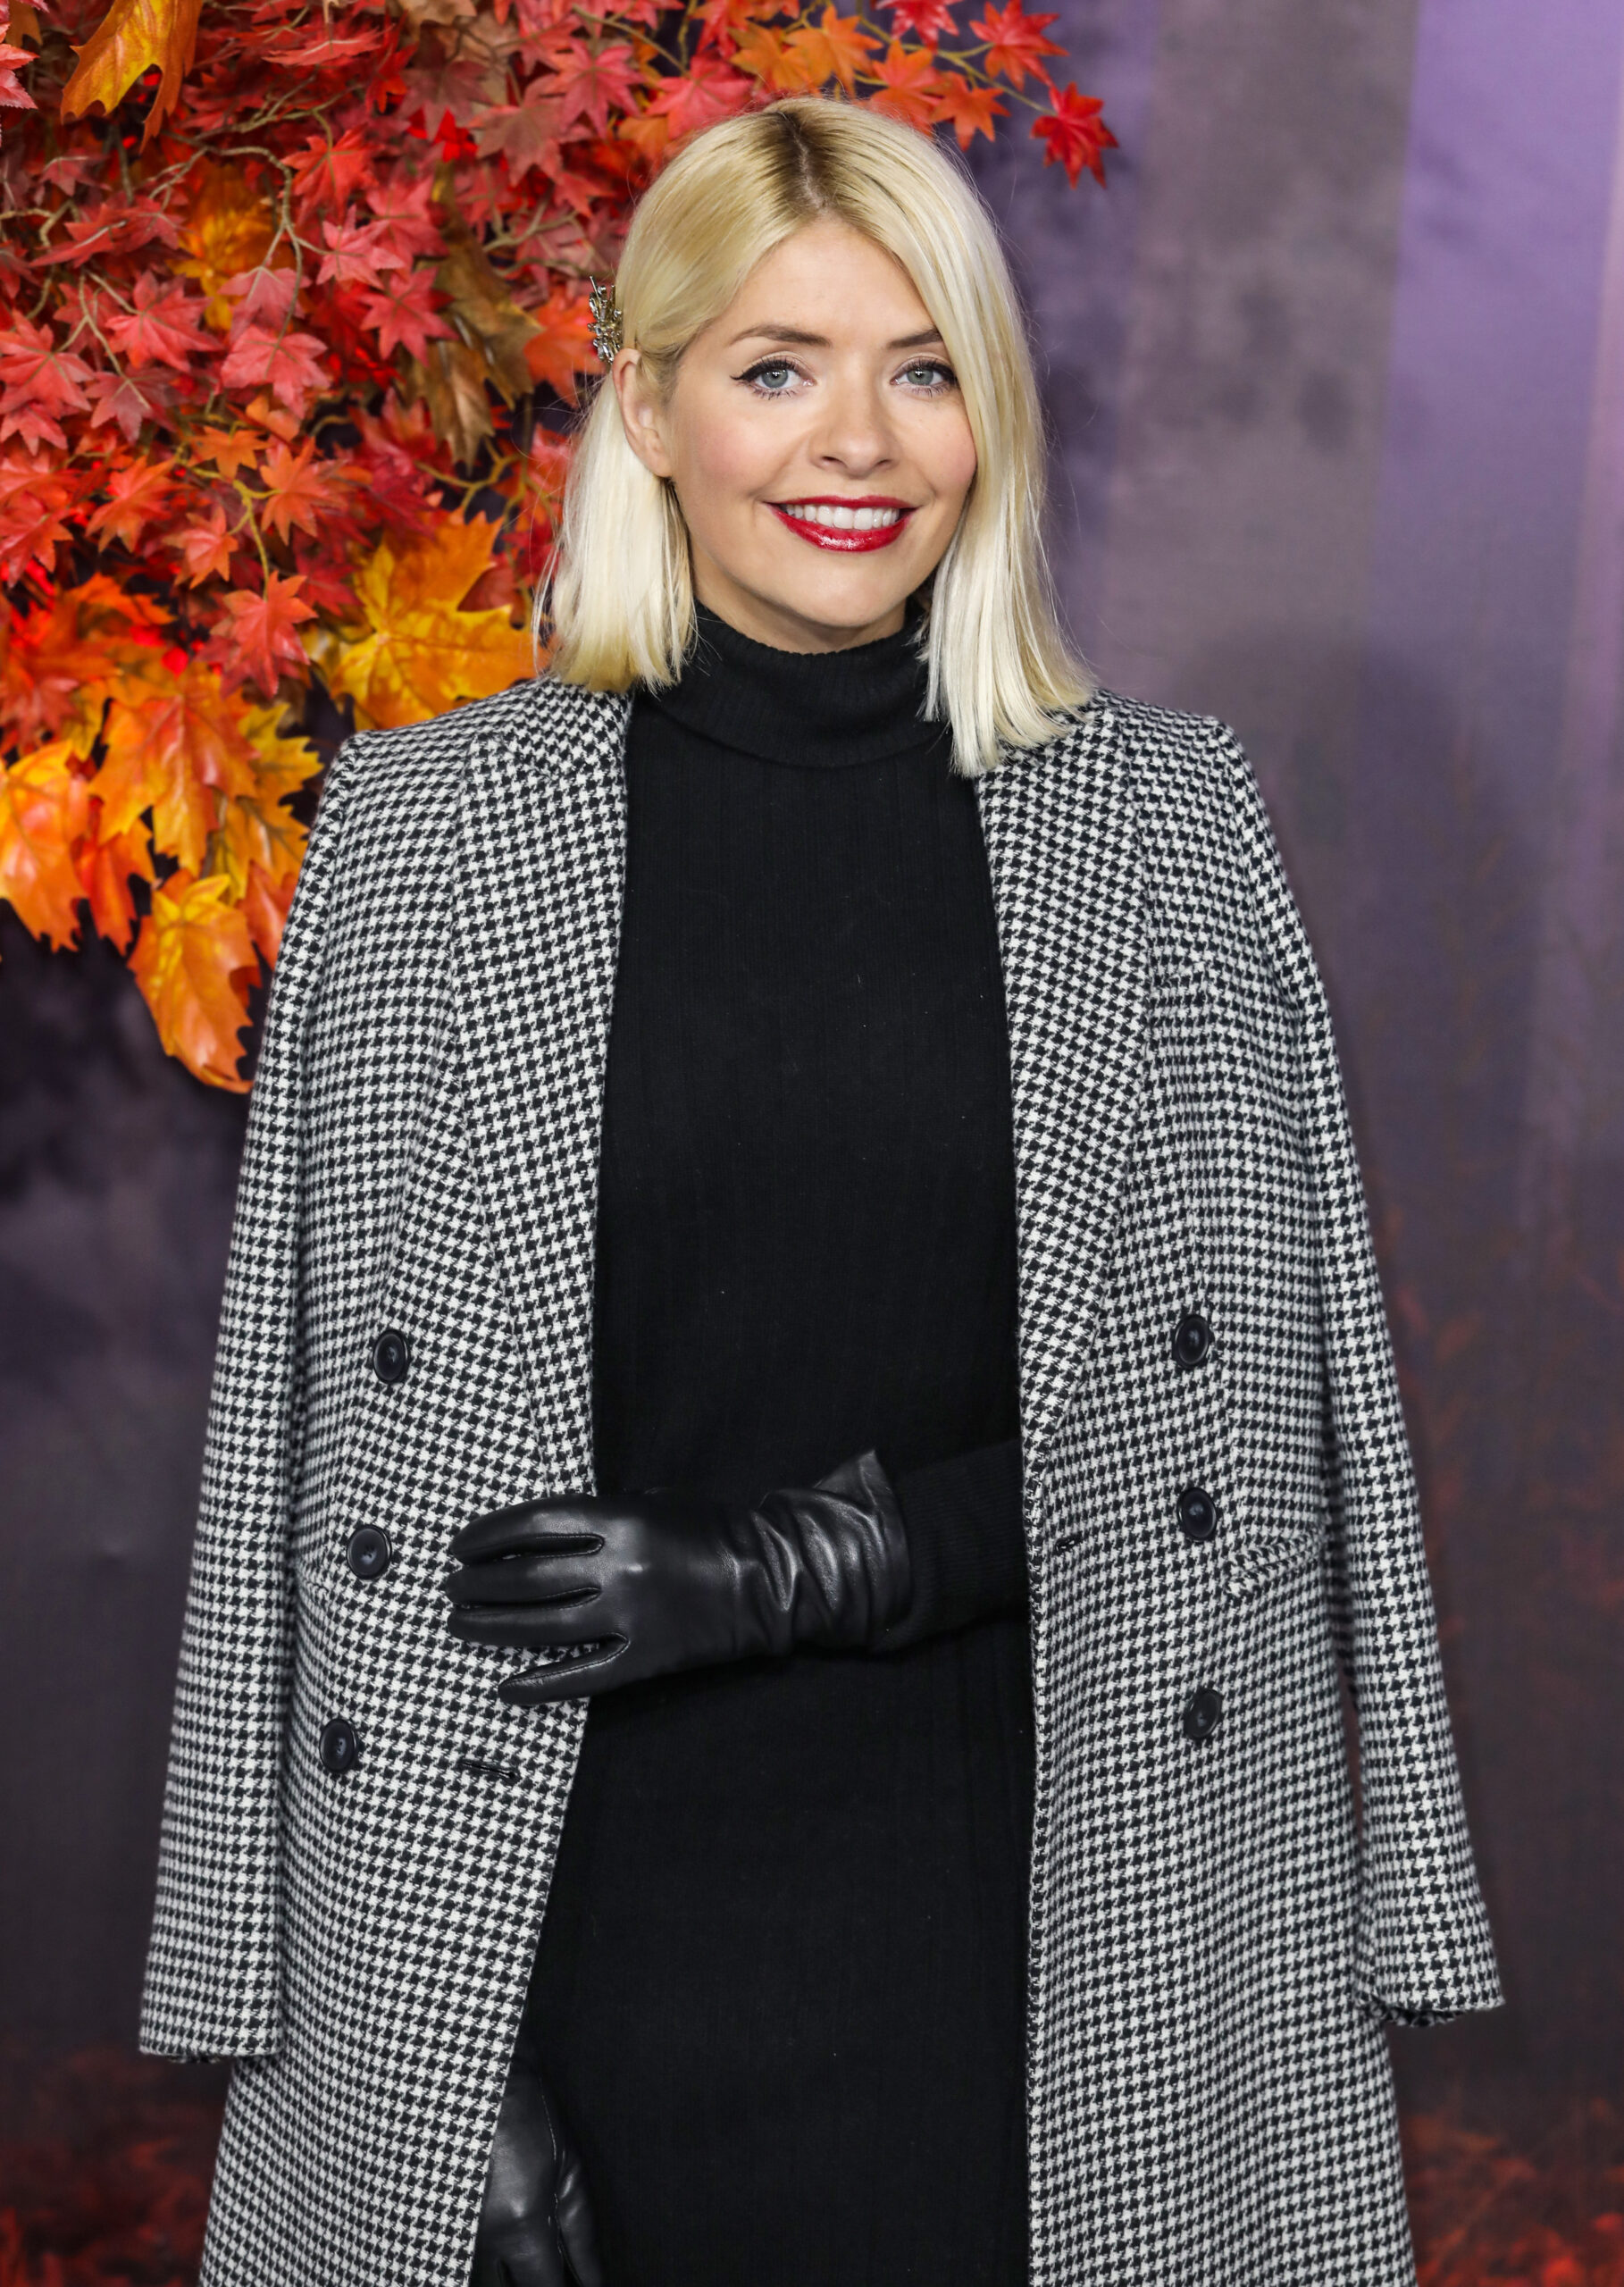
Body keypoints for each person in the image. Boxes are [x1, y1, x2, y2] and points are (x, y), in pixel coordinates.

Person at [138, 96, 1501, 2287]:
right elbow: (306, 1480)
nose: (855, 438)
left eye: (925, 362)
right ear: (650, 404)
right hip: (551, 1918)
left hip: (1051, 1907)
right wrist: (405, 2054)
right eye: (775, 364)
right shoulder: (416, 834)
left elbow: (1247, 1440)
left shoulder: (1165, 832)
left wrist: (815, 1557)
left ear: (993, 413)